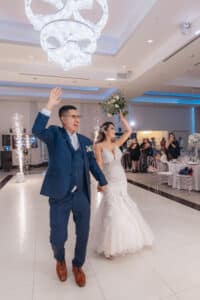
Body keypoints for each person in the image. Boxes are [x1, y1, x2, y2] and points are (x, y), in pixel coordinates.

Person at [32, 88, 107, 287]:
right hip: (60, 195)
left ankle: (77, 265)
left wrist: (103, 180)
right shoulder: (54, 135)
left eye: (78, 116)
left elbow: (91, 163)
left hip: (82, 194)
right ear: (63, 119)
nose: (77, 119)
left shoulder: (85, 141)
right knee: (58, 235)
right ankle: (60, 260)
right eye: (73, 116)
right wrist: (49, 104)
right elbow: (37, 130)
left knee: (83, 233)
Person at [92, 112, 154, 258]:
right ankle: (110, 247)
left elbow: (129, 131)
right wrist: (100, 182)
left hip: (121, 179)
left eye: (114, 128)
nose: (114, 131)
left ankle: (128, 238)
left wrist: (123, 119)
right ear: (105, 131)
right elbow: (99, 165)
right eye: (112, 128)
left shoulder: (116, 143)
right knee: (111, 208)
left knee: (124, 206)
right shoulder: (98, 146)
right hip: (109, 180)